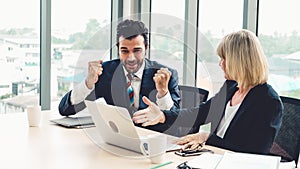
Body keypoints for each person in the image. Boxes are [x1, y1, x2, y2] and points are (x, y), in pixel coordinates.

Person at [132, 29, 283, 155]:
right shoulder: (231, 87)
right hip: (212, 157)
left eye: (224, 58)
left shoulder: (268, 101)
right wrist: (163, 115)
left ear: (239, 61)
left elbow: (254, 153)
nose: (220, 64)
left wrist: (206, 137)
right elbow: (200, 113)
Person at [58, 19, 181, 132]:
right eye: (125, 51)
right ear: (118, 49)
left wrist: (163, 92)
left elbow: (174, 121)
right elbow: (65, 109)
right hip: (117, 139)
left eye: (137, 50)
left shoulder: (166, 75)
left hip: (153, 141)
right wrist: (88, 84)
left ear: (146, 48)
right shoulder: (105, 72)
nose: (131, 58)